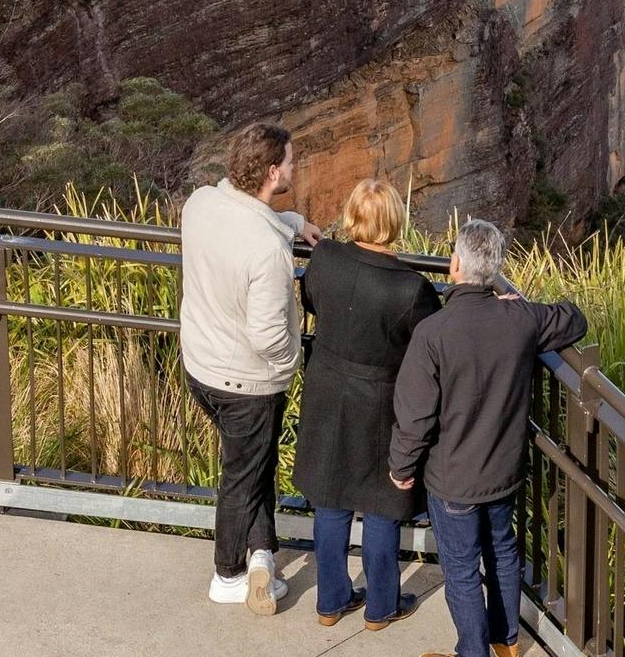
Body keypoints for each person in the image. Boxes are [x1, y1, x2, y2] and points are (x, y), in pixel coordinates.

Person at [388, 218, 588, 657]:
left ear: (454, 265)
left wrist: (401, 468)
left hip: (453, 478)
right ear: (495, 269)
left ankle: (472, 653)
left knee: (461, 570)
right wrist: (519, 306)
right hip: (504, 472)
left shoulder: (433, 333)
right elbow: (575, 318)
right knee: (501, 551)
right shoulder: (520, 318)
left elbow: (415, 413)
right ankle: (507, 641)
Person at [179, 121, 319, 614]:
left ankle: (263, 554)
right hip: (247, 384)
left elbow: (244, 218)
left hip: (199, 367)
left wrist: (293, 220)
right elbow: (267, 335)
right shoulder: (267, 251)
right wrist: (289, 366)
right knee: (240, 477)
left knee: (250, 463)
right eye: (291, 161)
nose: (295, 167)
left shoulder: (199, 204)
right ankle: (229, 573)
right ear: (272, 171)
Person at [297, 178, 440, 631]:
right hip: (381, 401)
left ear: (353, 216)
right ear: (394, 222)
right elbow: (431, 342)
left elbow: (312, 301)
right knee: (381, 503)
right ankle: (382, 606)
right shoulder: (410, 288)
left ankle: (331, 601)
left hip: (326, 390)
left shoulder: (325, 258)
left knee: (330, 496)